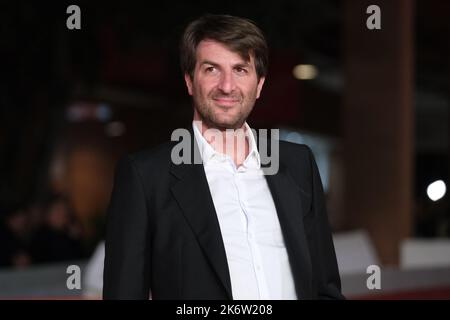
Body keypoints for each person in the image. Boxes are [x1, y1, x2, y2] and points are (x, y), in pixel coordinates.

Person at [103, 14, 344, 300]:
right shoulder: (146, 176)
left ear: (260, 85)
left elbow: (326, 288)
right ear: (190, 81)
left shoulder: (297, 163)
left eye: (241, 70)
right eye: (212, 69)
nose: (227, 86)